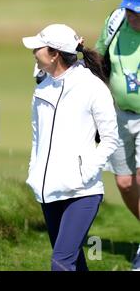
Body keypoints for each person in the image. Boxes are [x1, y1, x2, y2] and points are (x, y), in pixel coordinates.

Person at [23, 24, 118, 271]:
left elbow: (110, 138)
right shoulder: (42, 88)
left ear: (54, 53)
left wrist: (85, 172)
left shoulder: (92, 87)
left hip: (81, 193)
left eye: (39, 47)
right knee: (73, 261)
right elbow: (37, 136)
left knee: (61, 263)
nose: (33, 51)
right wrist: (34, 171)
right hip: (48, 192)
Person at [95, 0, 140, 271]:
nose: (134, 16)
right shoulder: (115, 22)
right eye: (131, 10)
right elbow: (99, 59)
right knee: (124, 182)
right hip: (118, 114)